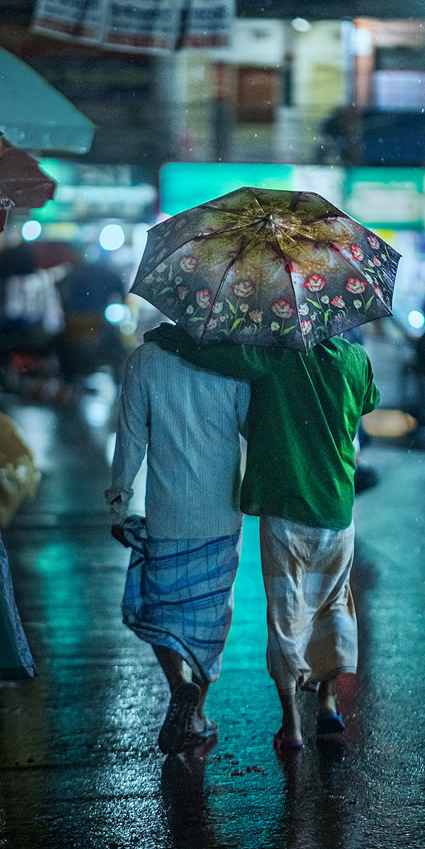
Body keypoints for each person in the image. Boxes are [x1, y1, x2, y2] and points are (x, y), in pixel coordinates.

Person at [146, 322, 380, 751]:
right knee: (333, 605)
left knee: (285, 615)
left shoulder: (277, 359)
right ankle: (327, 702)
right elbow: (369, 400)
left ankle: (291, 726)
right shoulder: (355, 359)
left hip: (286, 511)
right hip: (337, 509)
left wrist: (172, 337)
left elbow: (216, 357)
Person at [105, 339, 250, 755]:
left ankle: (178, 687)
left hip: (167, 513)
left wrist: (118, 503)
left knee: (162, 609)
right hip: (221, 514)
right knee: (211, 618)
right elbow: (252, 428)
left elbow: (130, 436)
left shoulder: (144, 360)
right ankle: (198, 713)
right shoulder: (233, 360)